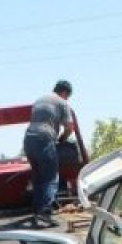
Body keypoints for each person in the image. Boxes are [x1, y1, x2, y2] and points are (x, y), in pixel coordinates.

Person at [24, 80, 74, 228]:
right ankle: (45, 212)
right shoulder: (62, 102)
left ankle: (37, 210)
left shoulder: (40, 99)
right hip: (44, 139)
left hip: (28, 140)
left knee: (39, 176)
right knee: (51, 176)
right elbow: (70, 127)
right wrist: (62, 139)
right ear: (65, 93)